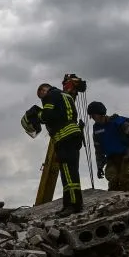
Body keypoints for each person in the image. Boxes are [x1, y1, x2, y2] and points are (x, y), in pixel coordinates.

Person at [24, 82, 84, 216]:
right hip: (74, 134)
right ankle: (69, 204)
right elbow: (62, 114)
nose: (42, 99)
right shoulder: (66, 96)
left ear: (44, 90)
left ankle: (73, 205)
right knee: (71, 172)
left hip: (64, 137)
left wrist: (37, 114)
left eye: (41, 95)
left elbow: (48, 115)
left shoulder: (50, 95)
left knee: (68, 174)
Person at [87, 101, 129, 194]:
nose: (93, 118)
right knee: (113, 183)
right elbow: (98, 150)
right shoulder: (97, 129)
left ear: (100, 113)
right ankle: (117, 206)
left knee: (126, 181)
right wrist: (100, 167)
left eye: (93, 115)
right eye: (91, 116)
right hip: (111, 159)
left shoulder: (118, 122)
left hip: (126, 155)